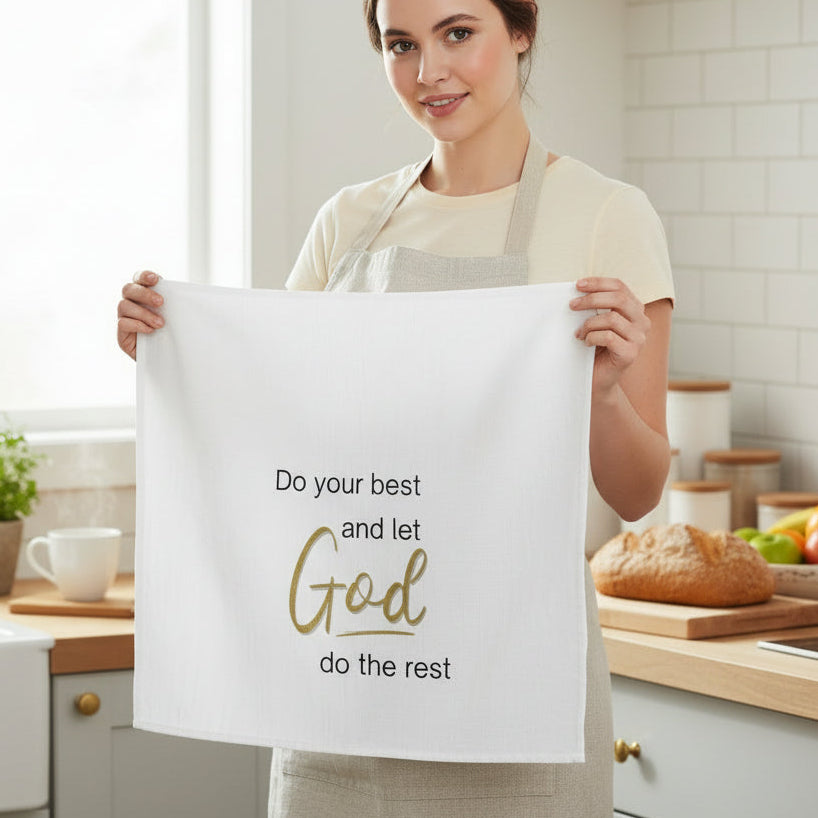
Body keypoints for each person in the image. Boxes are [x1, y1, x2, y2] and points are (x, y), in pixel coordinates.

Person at [118, 0, 674, 815]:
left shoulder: (606, 215)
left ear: (521, 31)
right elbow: (275, 436)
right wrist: (174, 351)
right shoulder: (347, 223)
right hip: (347, 674)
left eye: (459, 34)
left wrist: (597, 396)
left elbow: (637, 492)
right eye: (400, 44)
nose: (429, 73)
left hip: (516, 692)